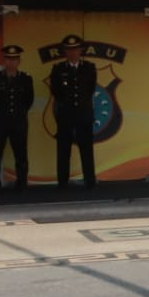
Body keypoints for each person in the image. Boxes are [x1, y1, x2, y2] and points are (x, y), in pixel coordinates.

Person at [0, 43, 34, 191]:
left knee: (21, 155)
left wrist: (19, 114)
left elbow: (29, 100)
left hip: (18, 122)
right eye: (8, 59)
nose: (11, 62)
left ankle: (22, 183)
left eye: (14, 59)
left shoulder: (25, 79)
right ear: (3, 61)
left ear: (19, 61)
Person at [50, 33, 98, 188]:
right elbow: (56, 92)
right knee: (63, 151)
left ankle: (90, 182)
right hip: (65, 115)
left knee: (86, 150)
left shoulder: (89, 68)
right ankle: (62, 183)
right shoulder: (58, 69)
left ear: (81, 50)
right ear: (65, 52)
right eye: (69, 50)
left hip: (84, 115)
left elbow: (90, 90)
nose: (72, 53)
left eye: (75, 49)